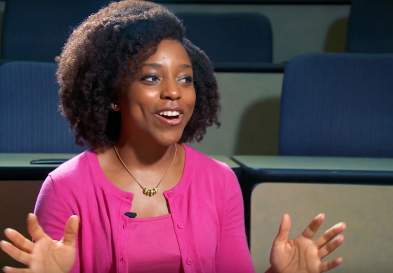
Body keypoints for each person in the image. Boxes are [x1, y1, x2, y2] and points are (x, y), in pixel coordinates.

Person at [0, 1, 346, 273]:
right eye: (151, 79)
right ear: (111, 93)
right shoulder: (66, 188)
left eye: (185, 79)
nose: (173, 93)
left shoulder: (219, 182)